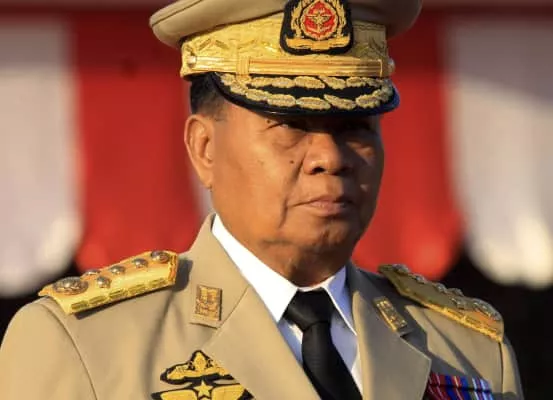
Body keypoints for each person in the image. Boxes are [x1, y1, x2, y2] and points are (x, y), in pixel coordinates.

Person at [0, 0, 523, 399]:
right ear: (204, 148)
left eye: (355, 126)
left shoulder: (468, 350)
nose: (330, 157)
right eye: (290, 125)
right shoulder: (86, 345)